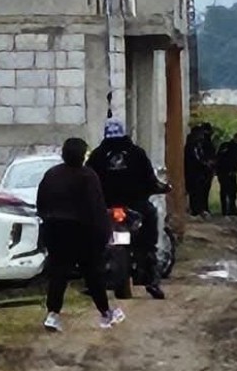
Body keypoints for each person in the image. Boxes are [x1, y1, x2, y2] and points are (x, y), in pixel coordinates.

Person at [36, 138, 125, 332]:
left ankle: (52, 315)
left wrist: (48, 224)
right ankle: (105, 313)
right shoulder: (87, 176)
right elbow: (96, 208)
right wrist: (104, 234)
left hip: (55, 231)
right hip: (83, 232)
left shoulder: (52, 174)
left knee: (59, 273)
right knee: (93, 273)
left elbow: (40, 203)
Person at [87, 118, 166, 300]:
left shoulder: (98, 155)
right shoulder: (136, 153)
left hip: (106, 208)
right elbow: (150, 179)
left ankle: (92, 279)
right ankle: (151, 280)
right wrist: (158, 187)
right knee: (148, 242)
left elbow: (88, 179)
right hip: (135, 206)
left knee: (93, 244)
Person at [215, 132, 237, 216]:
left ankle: (229, 209)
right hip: (225, 171)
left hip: (227, 171)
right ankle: (227, 209)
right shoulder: (229, 146)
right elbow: (221, 157)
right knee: (227, 190)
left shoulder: (228, 146)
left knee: (230, 190)